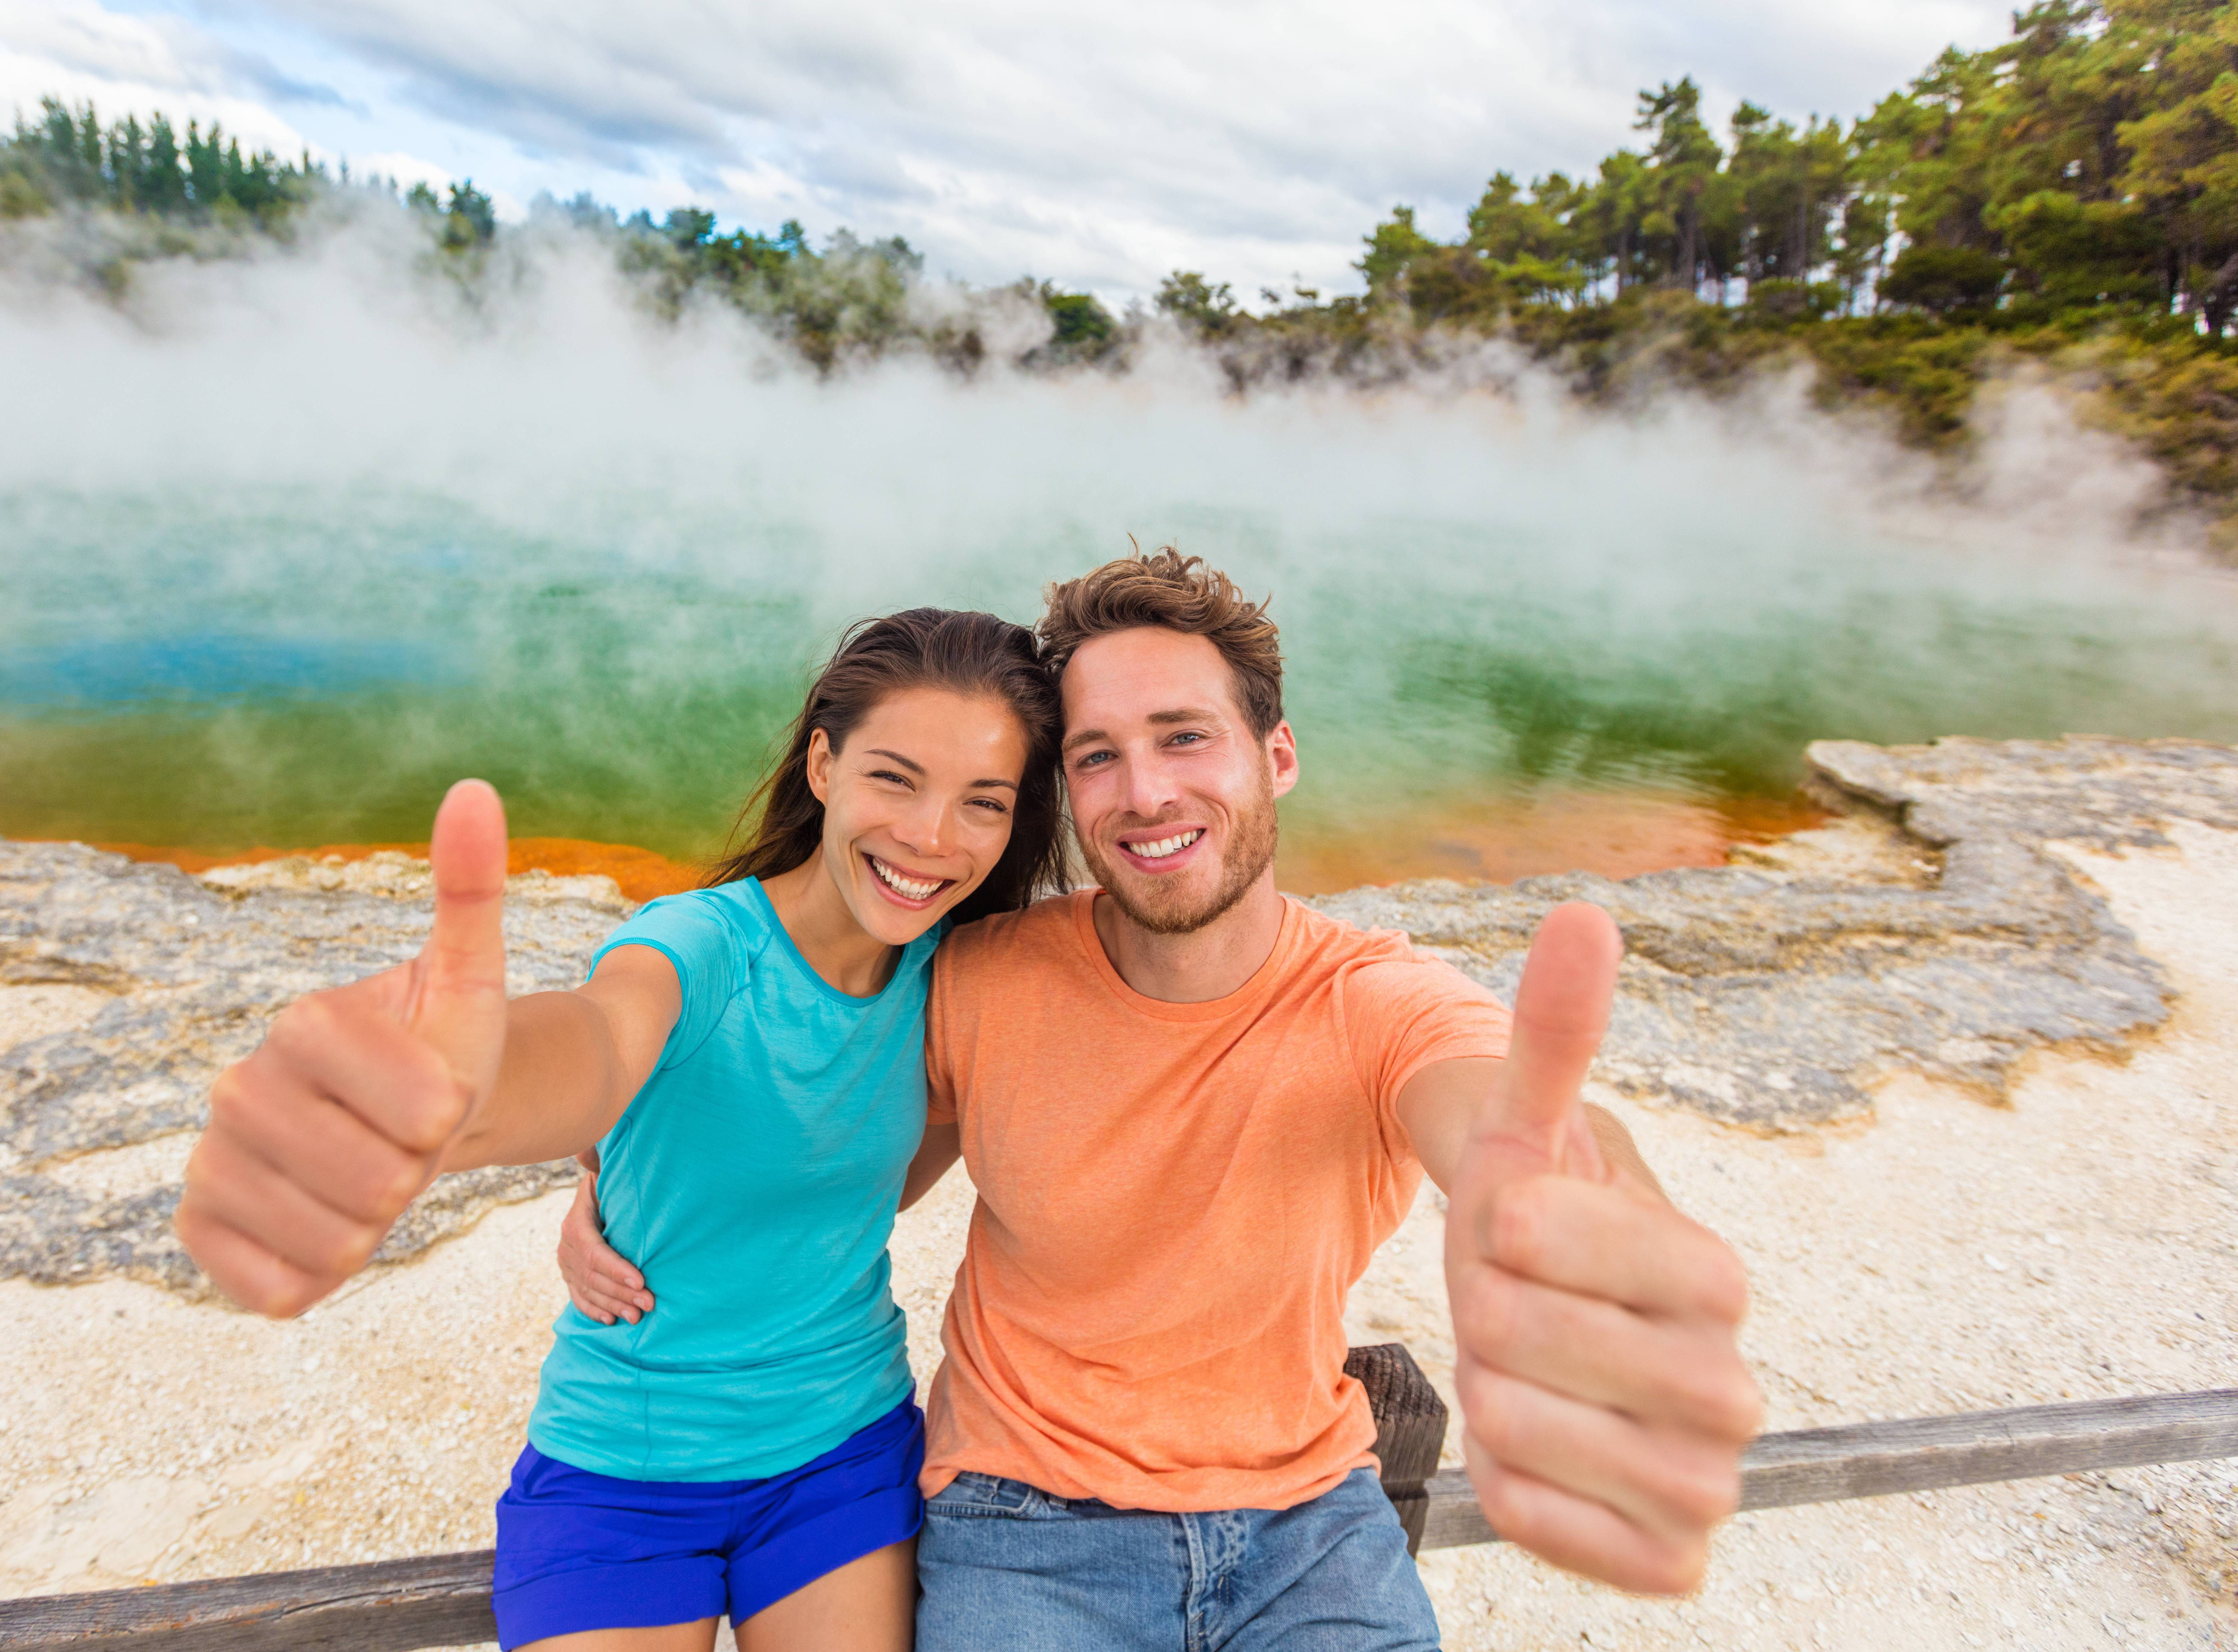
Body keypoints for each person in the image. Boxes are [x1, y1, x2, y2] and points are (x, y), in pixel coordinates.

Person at [560, 548, 1762, 1650]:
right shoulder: (983, 973)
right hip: (1024, 1520)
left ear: (1276, 756)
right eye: (1097, 756)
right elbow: (815, 1127)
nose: (1143, 793)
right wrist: (615, 1187)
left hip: (1310, 1527)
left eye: (1185, 738)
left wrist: (1567, 1214)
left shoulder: (1383, 1001)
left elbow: (1504, 1115)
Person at [173, 608, 1071, 1651]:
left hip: (842, 1452)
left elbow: (867, 1180)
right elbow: (599, 1046)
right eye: (896, 778)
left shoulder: (961, 985)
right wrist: (462, 1095)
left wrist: (620, 1190)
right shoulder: (694, 946)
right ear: (823, 764)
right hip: (623, 1465)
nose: (931, 837)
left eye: (984, 803)